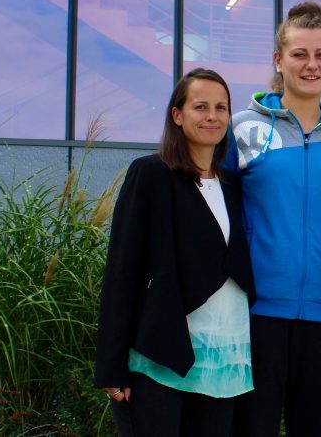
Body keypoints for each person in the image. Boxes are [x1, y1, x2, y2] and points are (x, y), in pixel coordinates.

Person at [94, 68, 256, 436]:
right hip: (160, 354)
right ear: (177, 115)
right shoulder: (150, 174)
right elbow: (123, 271)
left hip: (223, 361)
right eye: (200, 107)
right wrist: (111, 366)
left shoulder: (232, 186)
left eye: (221, 107)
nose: (212, 116)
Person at [230, 1, 321, 437]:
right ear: (278, 61)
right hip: (256, 313)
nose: (311, 65)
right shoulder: (242, 128)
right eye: (300, 55)